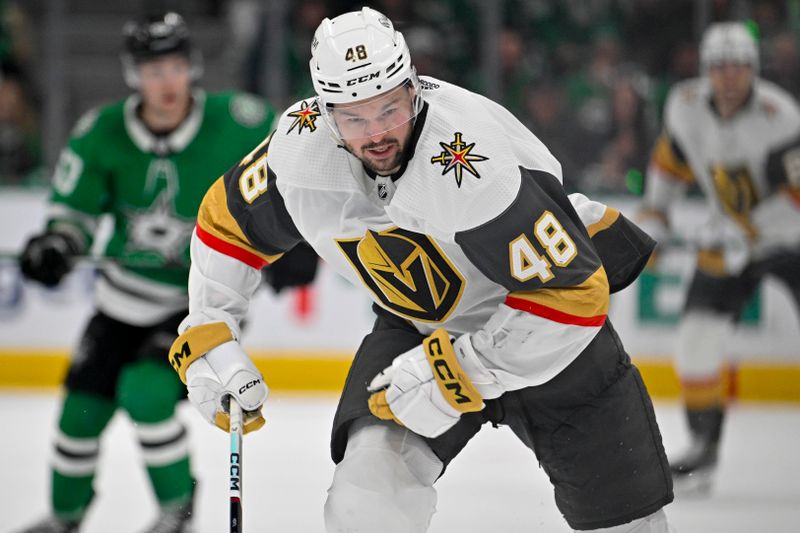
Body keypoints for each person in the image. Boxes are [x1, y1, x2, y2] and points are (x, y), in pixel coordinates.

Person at [170, 7, 674, 532]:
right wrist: (210, 327)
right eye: (354, 118)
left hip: (551, 339)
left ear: (413, 88)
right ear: (324, 113)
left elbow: (573, 297)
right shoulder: (302, 149)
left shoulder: (474, 165)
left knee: (630, 527)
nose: (377, 135)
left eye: (390, 109)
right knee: (365, 504)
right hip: (420, 328)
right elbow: (225, 223)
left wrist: (456, 371)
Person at [15, 12, 317, 533]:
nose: (167, 82)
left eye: (176, 67)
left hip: (199, 305)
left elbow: (298, 173)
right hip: (121, 301)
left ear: (193, 67)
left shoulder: (240, 122)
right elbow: (75, 214)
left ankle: (174, 514)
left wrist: (295, 239)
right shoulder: (102, 132)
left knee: (147, 392)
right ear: (134, 75)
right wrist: (58, 244)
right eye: (154, 70)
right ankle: (63, 519)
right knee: (76, 418)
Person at [639, 21, 800, 492]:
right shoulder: (686, 107)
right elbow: (670, 162)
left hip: (790, 239)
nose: (729, 76)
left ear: (753, 69)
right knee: (695, 339)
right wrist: (655, 213)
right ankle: (704, 449)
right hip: (729, 241)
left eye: (738, 67)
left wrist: (747, 227)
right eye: (720, 66)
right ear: (707, 69)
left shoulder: (782, 116)